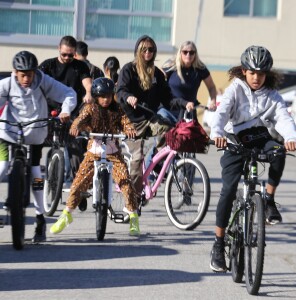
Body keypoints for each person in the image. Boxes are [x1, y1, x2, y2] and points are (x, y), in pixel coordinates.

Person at [209, 45, 296, 272]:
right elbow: (221, 112)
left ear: (266, 73)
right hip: (233, 139)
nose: (256, 78)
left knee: (279, 151)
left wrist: (290, 137)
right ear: (244, 71)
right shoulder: (235, 89)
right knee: (228, 190)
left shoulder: (272, 95)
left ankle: (268, 199)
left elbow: (283, 118)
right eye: (252, 73)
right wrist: (217, 134)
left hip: (258, 136)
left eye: (261, 73)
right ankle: (219, 245)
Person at [0, 50, 76, 243]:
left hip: (35, 132)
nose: (26, 78)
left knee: (36, 173)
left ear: (35, 72)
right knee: (2, 168)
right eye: (22, 74)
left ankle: (40, 217)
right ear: (15, 72)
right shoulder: (7, 84)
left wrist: (66, 110)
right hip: (9, 132)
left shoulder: (43, 81)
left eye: (29, 74)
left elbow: (68, 93)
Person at [50, 77, 140, 236]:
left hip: (113, 153)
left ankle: (133, 217)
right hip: (94, 153)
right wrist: (76, 126)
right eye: (102, 96)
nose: (106, 100)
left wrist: (130, 129)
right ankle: (66, 214)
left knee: (126, 182)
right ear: (96, 97)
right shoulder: (90, 108)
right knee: (78, 183)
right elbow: (80, 119)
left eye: (109, 96)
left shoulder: (117, 109)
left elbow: (126, 122)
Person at [116, 35, 184, 201]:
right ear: (138, 51)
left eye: (151, 49)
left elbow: (168, 99)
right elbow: (120, 91)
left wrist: (185, 103)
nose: (148, 52)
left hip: (149, 119)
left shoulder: (157, 75)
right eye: (144, 49)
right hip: (130, 121)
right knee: (137, 159)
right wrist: (128, 97)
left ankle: (155, 164)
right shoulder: (128, 70)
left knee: (170, 130)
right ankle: (131, 198)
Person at [39, 36, 93, 192]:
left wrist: (88, 93)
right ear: (59, 49)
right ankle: (36, 183)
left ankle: (80, 189)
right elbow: (36, 83)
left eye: (71, 55)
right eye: (64, 54)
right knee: (34, 155)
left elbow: (87, 83)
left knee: (76, 151)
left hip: (71, 113)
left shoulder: (80, 67)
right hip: (50, 112)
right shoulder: (47, 66)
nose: (68, 58)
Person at [161, 40, 217, 121]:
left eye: (191, 52)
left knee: (194, 133)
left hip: (188, 113)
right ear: (180, 53)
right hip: (169, 111)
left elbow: (211, 87)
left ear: (195, 54)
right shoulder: (171, 65)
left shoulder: (200, 68)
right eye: (185, 52)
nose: (188, 55)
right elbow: (158, 81)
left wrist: (213, 101)